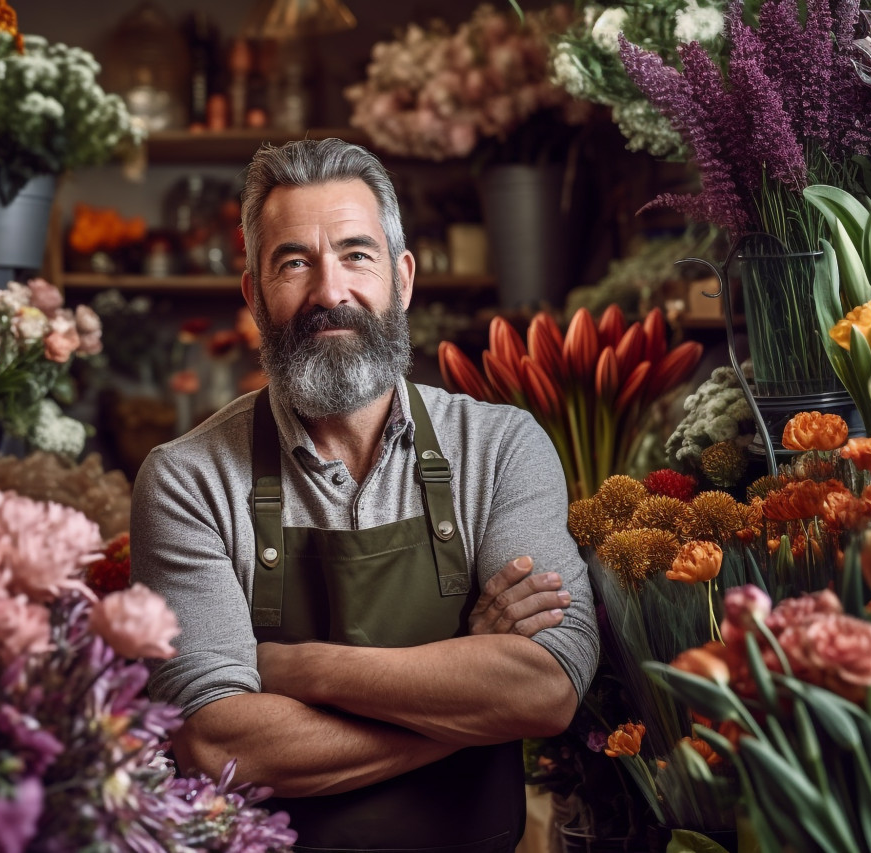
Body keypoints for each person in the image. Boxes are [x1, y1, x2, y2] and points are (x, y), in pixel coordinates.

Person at [131, 138, 599, 852]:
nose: (330, 292)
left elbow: (546, 688)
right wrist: (470, 695)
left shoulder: (503, 448)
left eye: (357, 254)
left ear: (402, 279)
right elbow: (220, 745)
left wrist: (296, 667)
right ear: (254, 293)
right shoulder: (187, 479)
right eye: (294, 262)